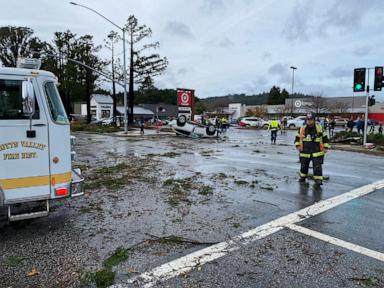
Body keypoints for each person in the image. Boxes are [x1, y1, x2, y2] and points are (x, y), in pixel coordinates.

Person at [295, 113, 330, 185]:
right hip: (304, 151)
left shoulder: (319, 129)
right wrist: (298, 146)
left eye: (310, 120)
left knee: (317, 167)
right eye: (308, 120)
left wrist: (325, 147)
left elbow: (325, 139)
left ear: (314, 120)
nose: (309, 121)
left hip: (317, 151)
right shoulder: (302, 128)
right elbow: (297, 139)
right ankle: (302, 177)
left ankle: (318, 180)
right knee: (304, 166)